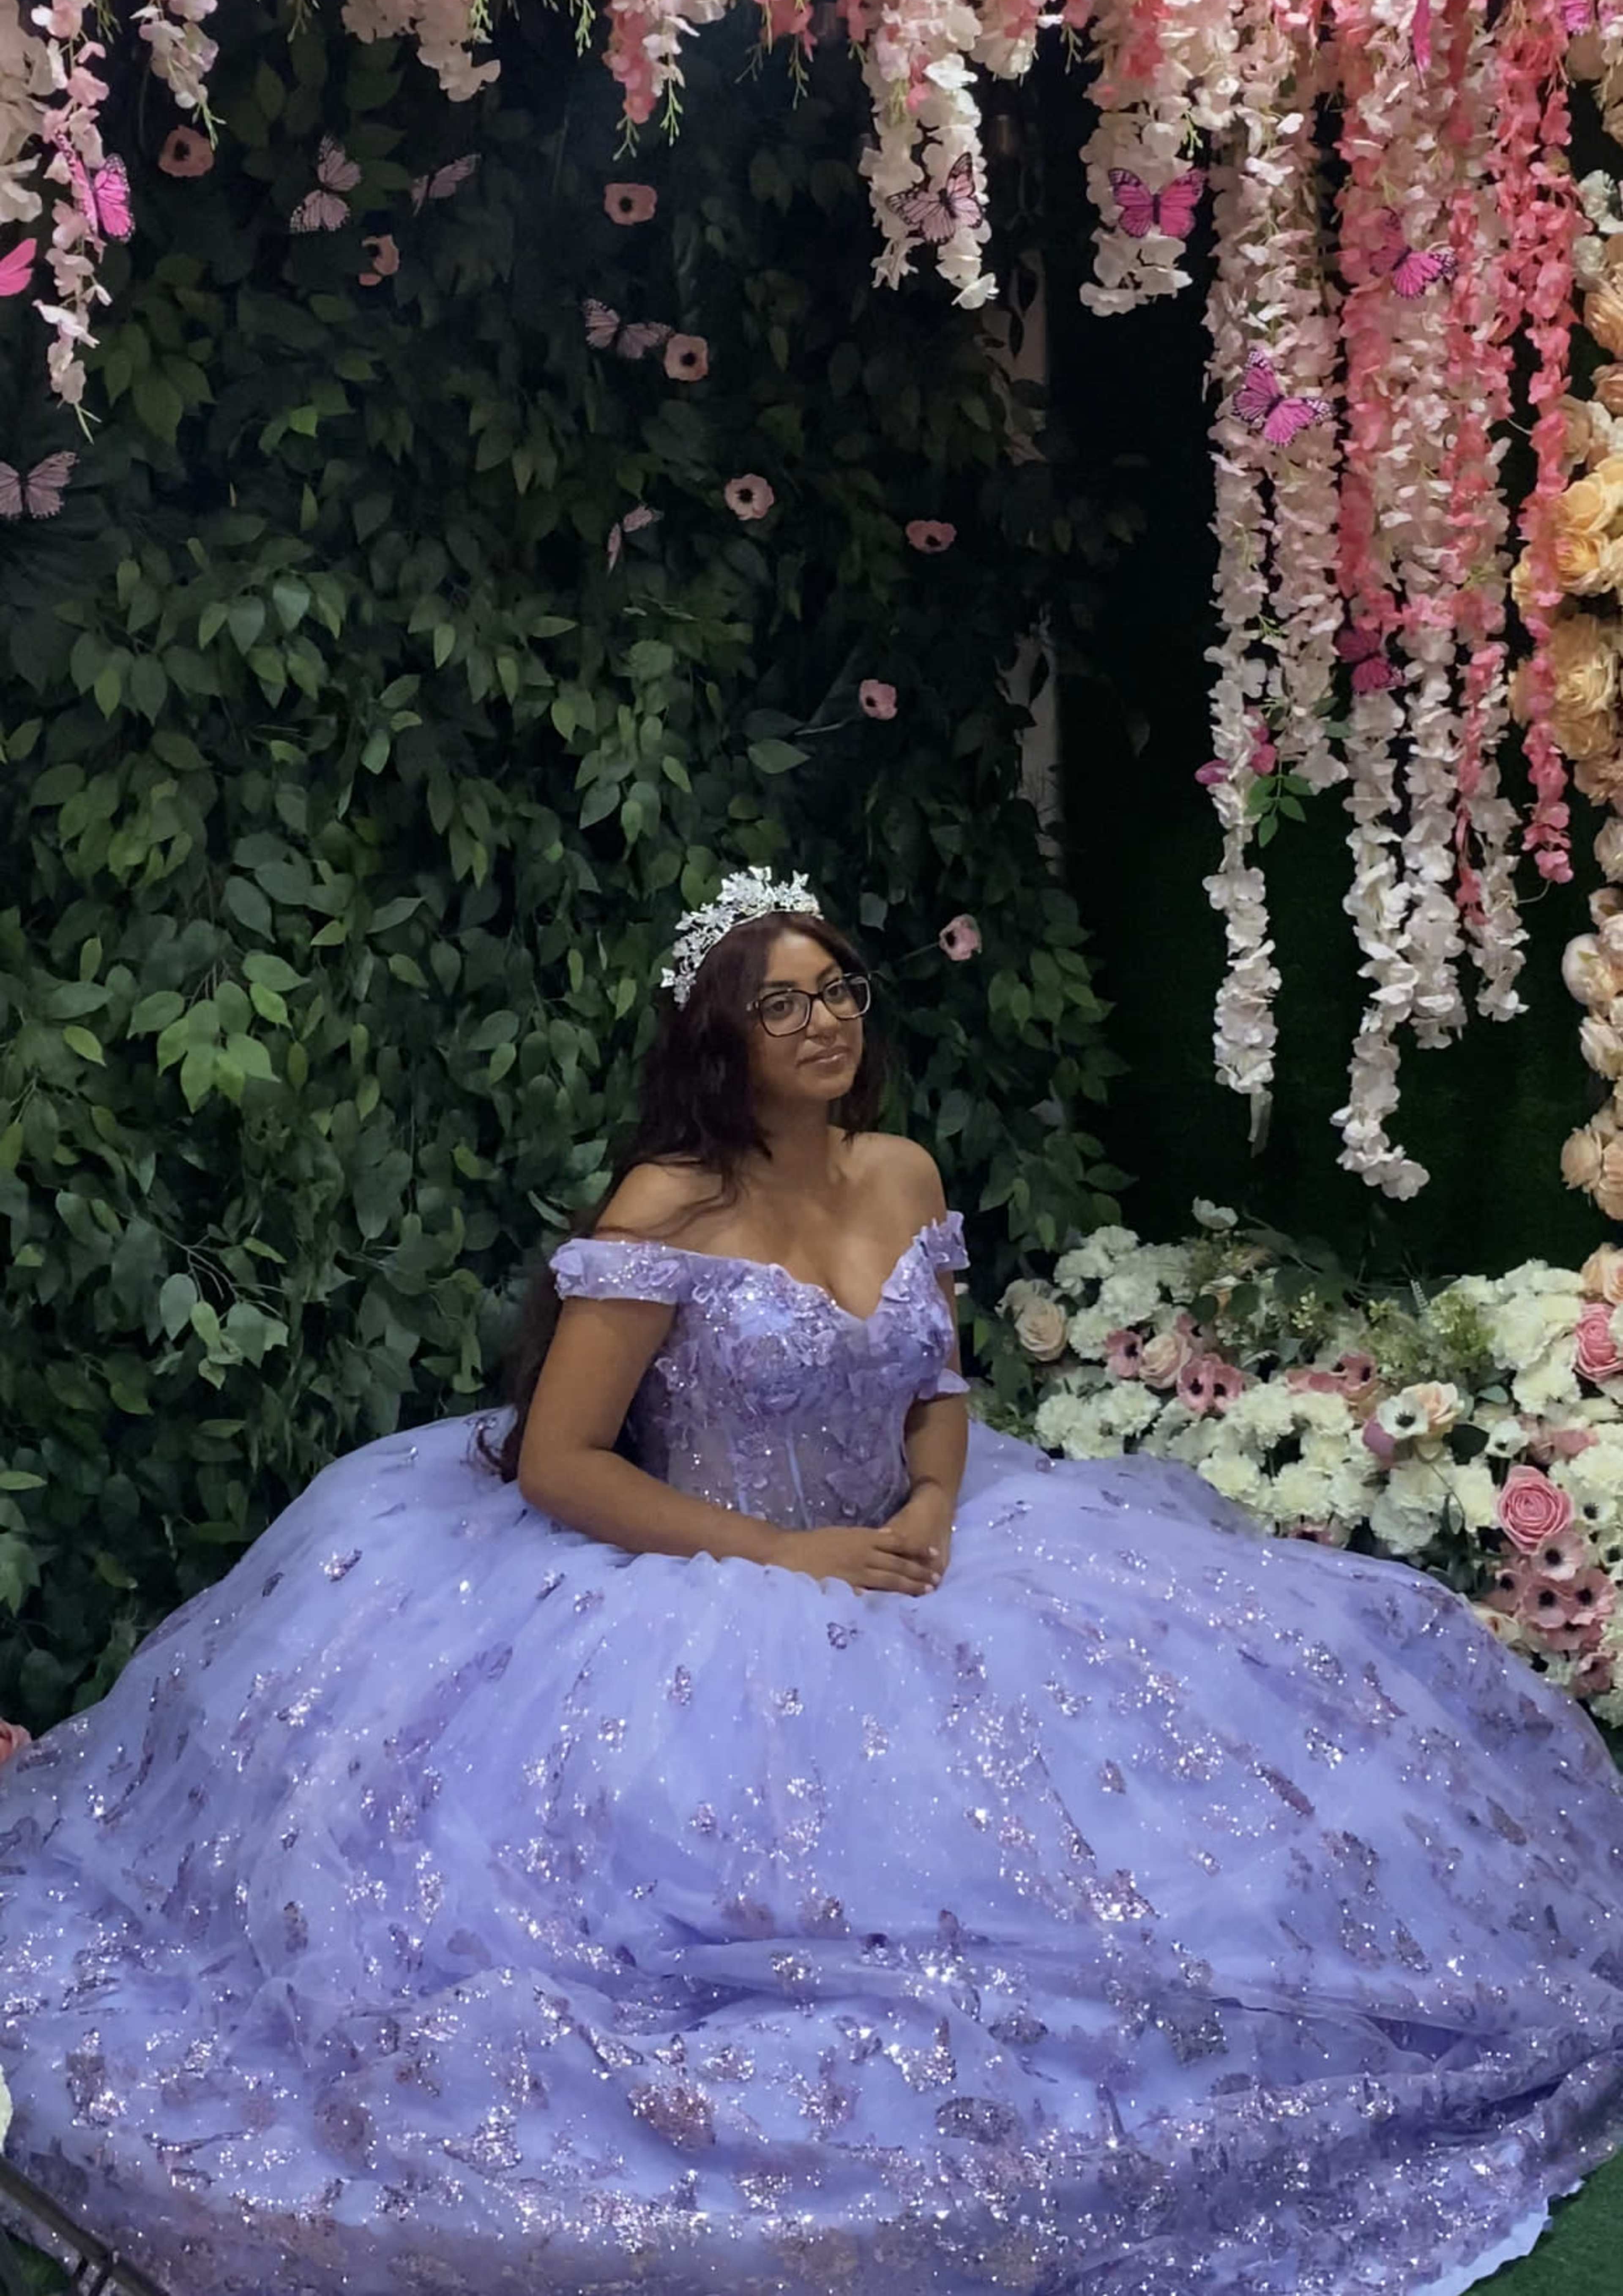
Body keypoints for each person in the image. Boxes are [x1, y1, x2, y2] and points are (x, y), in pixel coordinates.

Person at [0, 866, 1620, 2296]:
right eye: (783, 1006)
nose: (825, 1022)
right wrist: (791, 1560)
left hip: (920, 1548)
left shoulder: (902, 1172)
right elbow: (564, 1461)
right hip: (699, 1573)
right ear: (724, 1039)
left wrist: (927, 1494)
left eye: (838, 989)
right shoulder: (670, 1207)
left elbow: (938, 1378)